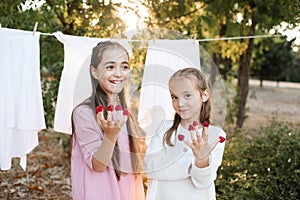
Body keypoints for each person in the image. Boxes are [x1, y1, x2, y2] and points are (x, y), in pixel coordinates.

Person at [71, 41, 145, 200]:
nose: (119, 73)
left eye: (124, 67)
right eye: (110, 67)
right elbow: (98, 165)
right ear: (95, 72)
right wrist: (110, 136)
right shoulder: (83, 113)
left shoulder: (124, 111)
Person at [144, 67, 226, 200]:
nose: (180, 103)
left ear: (204, 95)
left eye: (187, 95)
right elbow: (150, 168)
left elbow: (203, 182)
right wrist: (190, 166)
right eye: (174, 97)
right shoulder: (164, 128)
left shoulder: (215, 135)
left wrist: (201, 162)